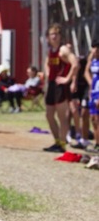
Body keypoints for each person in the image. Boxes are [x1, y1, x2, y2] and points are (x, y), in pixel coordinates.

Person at [42, 23, 79, 154]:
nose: (54, 36)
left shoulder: (63, 50)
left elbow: (75, 63)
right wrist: (47, 75)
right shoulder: (50, 51)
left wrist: (68, 79)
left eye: (56, 34)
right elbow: (47, 63)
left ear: (60, 36)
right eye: (51, 34)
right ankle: (57, 141)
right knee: (49, 114)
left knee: (62, 116)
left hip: (61, 85)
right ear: (47, 37)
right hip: (52, 84)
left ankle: (62, 144)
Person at [84, 40, 99, 153]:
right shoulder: (93, 60)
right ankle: (96, 143)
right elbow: (86, 72)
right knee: (93, 119)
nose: (94, 50)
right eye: (93, 48)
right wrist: (90, 84)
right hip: (93, 92)